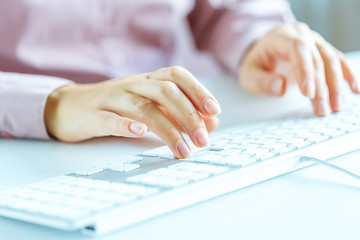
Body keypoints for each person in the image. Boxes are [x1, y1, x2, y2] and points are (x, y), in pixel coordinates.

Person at [0, 0, 358, 158]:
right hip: (24, 146)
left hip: (175, 127)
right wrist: (52, 103)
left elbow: (225, 8)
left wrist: (255, 38)